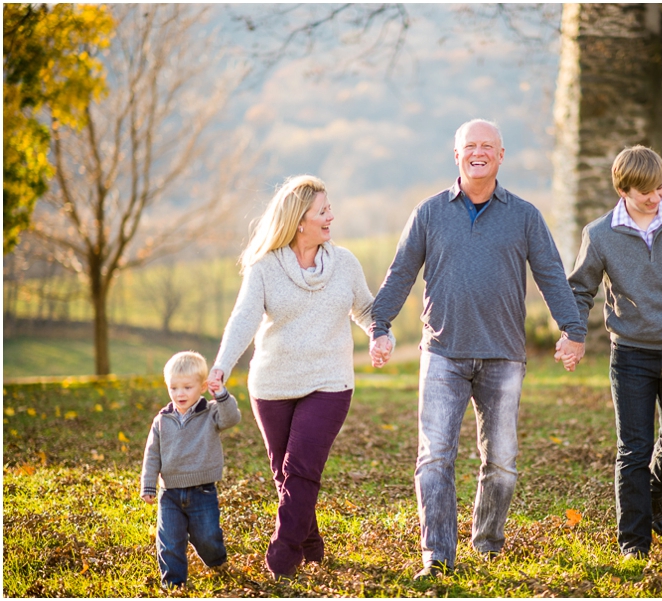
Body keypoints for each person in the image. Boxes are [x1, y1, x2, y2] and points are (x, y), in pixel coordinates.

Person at [369, 118, 587, 580]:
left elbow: (551, 273)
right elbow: (401, 272)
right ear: (457, 155)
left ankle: (487, 542)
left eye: (487, 145)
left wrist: (573, 329)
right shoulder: (429, 212)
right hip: (443, 353)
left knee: (502, 463)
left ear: (501, 156)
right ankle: (438, 556)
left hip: (503, 355)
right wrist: (380, 324)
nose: (478, 152)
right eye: (470, 146)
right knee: (433, 458)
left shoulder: (525, 215)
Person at [208, 175, 394, 579]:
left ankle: (283, 558)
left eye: (330, 208)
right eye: (323, 211)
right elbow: (244, 319)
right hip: (273, 385)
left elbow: (366, 309)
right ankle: (310, 546)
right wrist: (222, 364)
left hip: (330, 382)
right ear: (298, 221)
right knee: (285, 475)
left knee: (301, 469)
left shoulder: (344, 263)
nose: (331, 216)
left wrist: (381, 335)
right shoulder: (264, 268)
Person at [565, 145, 662, 560]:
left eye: (660, 188)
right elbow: (579, 290)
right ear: (623, 190)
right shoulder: (599, 234)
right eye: (645, 192)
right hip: (631, 354)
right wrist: (574, 334)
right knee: (633, 449)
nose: (655, 197)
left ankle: (654, 491)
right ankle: (634, 542)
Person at [140, 350, 242, 589]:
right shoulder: (162, 420)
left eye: (187, 387)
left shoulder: (211, 412)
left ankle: (216, 561)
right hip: (170, 493)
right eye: (174, 388)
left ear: (202, 386)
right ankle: (174, 584)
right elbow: (152, 453)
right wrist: (148, 483)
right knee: (169, 541)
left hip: (202, 491)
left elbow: (232, 418)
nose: (179, 394)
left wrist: (222, 395)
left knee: (206, 538)